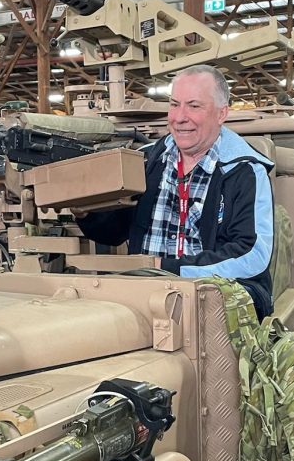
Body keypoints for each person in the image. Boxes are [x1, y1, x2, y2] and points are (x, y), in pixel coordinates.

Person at [77, 64, 275, 318]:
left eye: (194, 106)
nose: (180, 117)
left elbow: (252, 255)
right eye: (174, 104)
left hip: (209, 296)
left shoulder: (244, 171)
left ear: (221, 113)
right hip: (145, 293)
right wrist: (86, 213)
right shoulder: (147, 160)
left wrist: (166, 268)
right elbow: (115, 231)